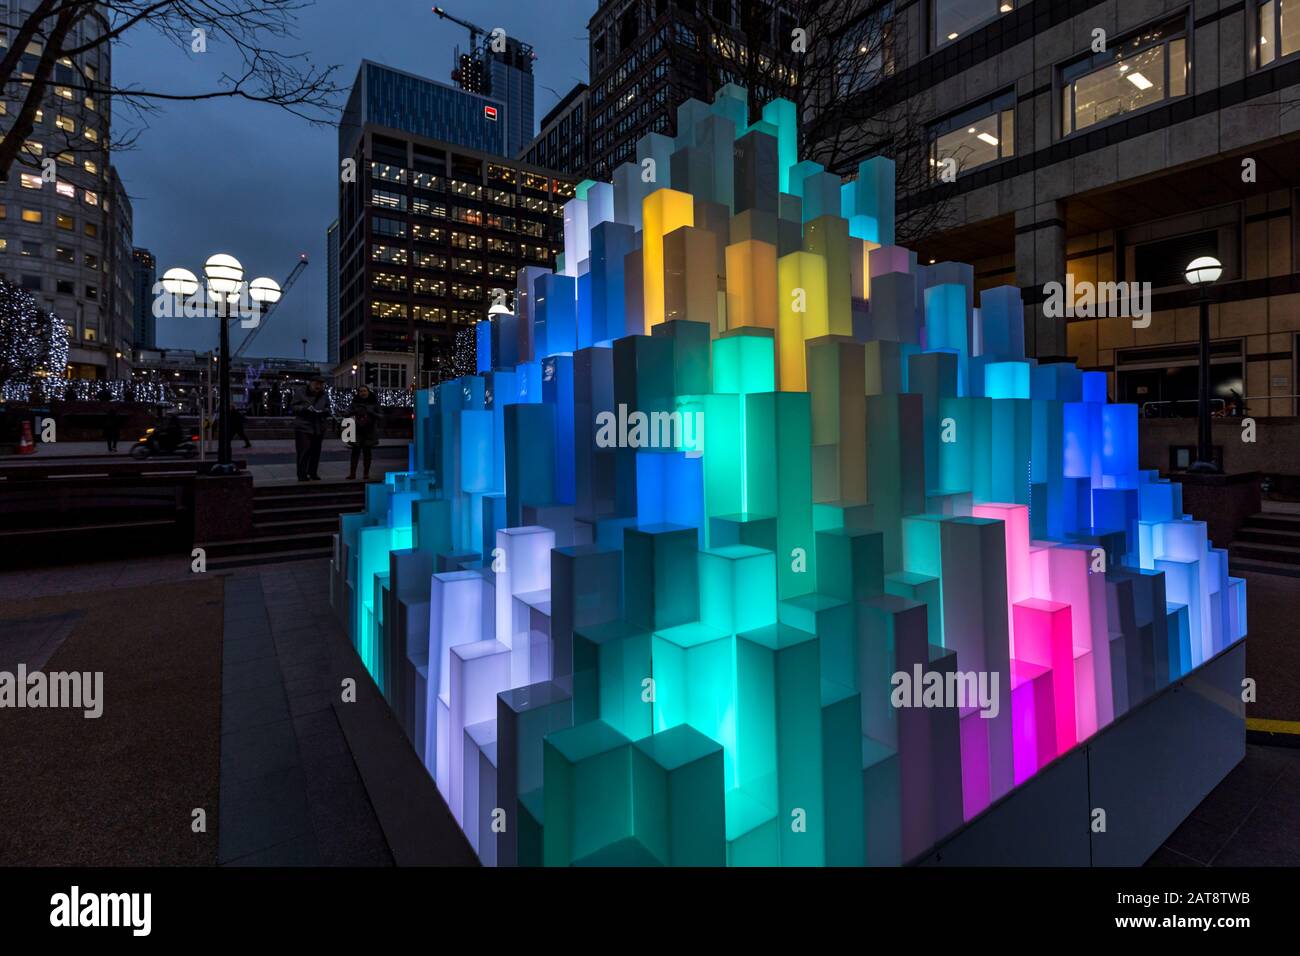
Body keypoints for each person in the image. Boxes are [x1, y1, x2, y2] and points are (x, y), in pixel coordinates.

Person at [291, 377, 330, 481]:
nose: (318, 386)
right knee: (304, 451)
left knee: (316, 452)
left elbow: (328, 407)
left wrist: (325, 411)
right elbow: (293, 407)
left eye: (321, 384)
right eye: (316, 384)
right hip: (303, 426)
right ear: (310, 383)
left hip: (318, 427)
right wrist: (304, 409)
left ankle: (313, 473)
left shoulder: (324, 394)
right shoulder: (300, 392)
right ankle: (302, 474)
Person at [344, 385, 382, 481]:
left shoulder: (374, 403)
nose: (363, 393)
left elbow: (381, 416)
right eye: (360, 391)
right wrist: (354, 411)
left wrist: (371, 412)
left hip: (369, 431)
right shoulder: (354, 403)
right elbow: (346, 413)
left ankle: (366, 474)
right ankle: (352, 474)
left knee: (367, 453)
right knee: (355, 452)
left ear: (368, 392)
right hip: (356, 430)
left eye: (364, 391)